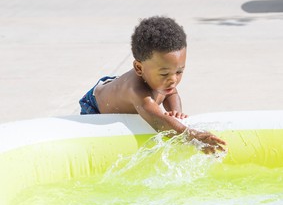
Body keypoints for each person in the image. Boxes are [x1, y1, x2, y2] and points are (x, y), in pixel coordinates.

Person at [79, 16, 226, 154]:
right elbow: (157, 121)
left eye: (179, 71)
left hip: (127, 86)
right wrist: (191, 135)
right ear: (139, 68)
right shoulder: (136, 91)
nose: (173, 79)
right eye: (165, 73)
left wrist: (176, 113)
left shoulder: (163, 80)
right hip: (96, 106)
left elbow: (172, 92)